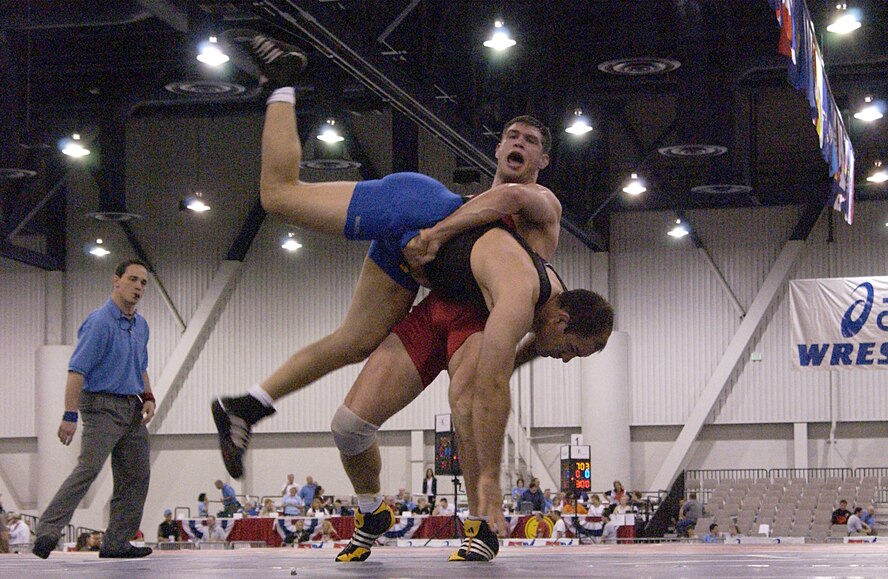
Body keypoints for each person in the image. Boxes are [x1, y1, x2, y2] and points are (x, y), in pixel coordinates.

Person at [220, 31, 612, 565]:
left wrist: (433, 246)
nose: (518, 142)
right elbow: (509, 198)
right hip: (418, 219)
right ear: (499, 149)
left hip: (441, 288)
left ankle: (254, 406)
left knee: (372, 386)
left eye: (530, 140)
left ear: (543, 157)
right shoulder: (535, 207)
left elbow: (507, 365)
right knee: (279, 197)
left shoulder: (534, 295)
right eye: (512, 136)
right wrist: (435, 236)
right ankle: (281, 84)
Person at [32, 259, 154, 560]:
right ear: (116, 281)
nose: (138, 287)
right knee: (88, 469)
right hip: (101, 406)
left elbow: (141, 367)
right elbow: (76, 371)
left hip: (133, 408)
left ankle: (117, 542)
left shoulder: (141, 326)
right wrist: (69, 416)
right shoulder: (99, 322)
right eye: (133, 280)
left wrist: (149, 395)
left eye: (143, 283)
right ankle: (47, 531)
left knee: (137, 475)